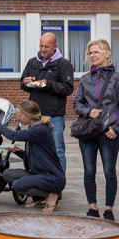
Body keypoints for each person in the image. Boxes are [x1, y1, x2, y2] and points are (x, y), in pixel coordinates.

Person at [0, 101, 65, 213]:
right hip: (40, 173)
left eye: (20, 115)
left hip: (52, 177)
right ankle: (40, 198)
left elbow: (12, 135)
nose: (18, 118)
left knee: (18, 185)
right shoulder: (34, 128)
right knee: (7, 174)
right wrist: (17, 151)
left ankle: (51, 195)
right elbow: (32, 157)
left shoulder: (40, 130)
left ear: (29, 116)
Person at [72, 39, 119, 221]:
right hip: (88, 131)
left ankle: (108, 209)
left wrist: (116, 128)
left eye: (96, 52)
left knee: (109, 171)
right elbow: (77, 103)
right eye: (90, 53)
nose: (92, 55)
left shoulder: (116, 78)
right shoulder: (85, 79)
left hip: (109, 132)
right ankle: (92, 208)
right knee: (89, 171)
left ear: (107, 53)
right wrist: (87, 111)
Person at [19, 33, 74, 173]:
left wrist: (48, 84)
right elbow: (23, 84)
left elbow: (67, 88)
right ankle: (38, 180)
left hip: (53, 115)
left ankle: (57, 185)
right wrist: (26, 82)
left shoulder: (64, 64)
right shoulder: (32, 62)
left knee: (57, 150)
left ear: (55, 47)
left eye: (47, 47)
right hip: (34, 116)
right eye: (41, 46)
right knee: (34, 149)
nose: (43, 49)